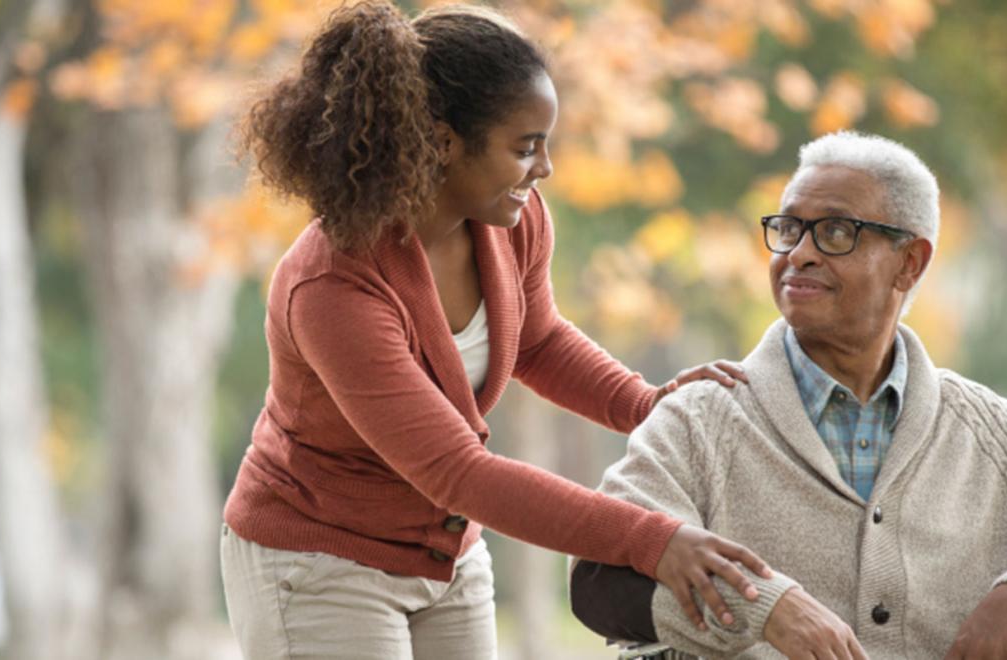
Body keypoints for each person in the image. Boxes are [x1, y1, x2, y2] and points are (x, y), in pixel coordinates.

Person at [219, 2, 773, 658]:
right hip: (318, 562)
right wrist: (653, 541)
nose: (544, 170)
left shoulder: (515, 220)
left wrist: (648, 406)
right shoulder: (332, 287)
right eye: (525, 147)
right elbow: (458, 471)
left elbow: (538, 340)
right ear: (444, 143)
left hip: (446, 555)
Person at [569, 132, 1007, 659]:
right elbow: (599, 578)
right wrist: (762, 610)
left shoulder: (992, 433)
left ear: (910, 262)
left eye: (836, 232)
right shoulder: (700, 418)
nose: (799, 254)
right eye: (789, 229)